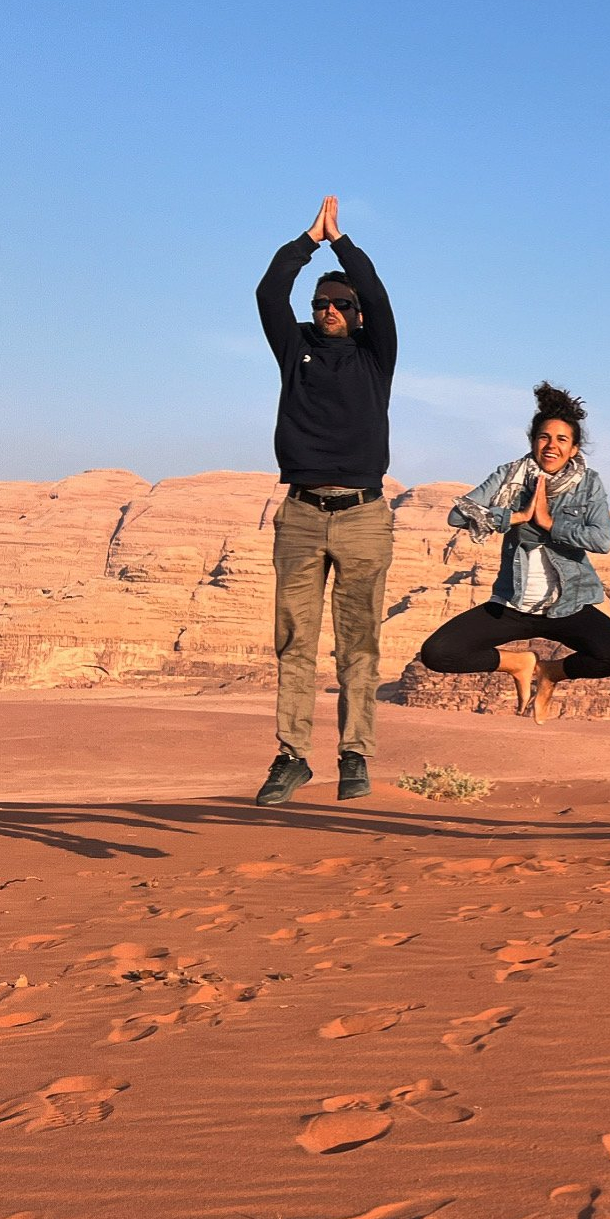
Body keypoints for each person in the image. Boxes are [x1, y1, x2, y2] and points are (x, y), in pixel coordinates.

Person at [253, 196, 397, 807]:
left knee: (358, 641)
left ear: (358, 314)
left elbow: (380, 296)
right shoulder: (296, 350)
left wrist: (341, 244)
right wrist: (305, 242)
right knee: (294, 641)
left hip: (363, 514)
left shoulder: (375, 357)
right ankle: (291, 757)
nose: (331, 310)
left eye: (342, 304)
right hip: (302, 514)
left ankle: (354, 755)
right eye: (322, 304)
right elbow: (268, 294)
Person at [418, 382, 610, 720]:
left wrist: (550, 524)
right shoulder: (510, 475)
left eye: (562, 440)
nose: (551, 446)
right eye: (544, 437)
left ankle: (552, 673)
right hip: (513, 604)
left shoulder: (589, 483)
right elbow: (458, 514)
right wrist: (514, 516)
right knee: (437, 653)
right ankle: (518, 663)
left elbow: (601, 540)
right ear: (534, 441)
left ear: (575, 448)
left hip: (567, 606)